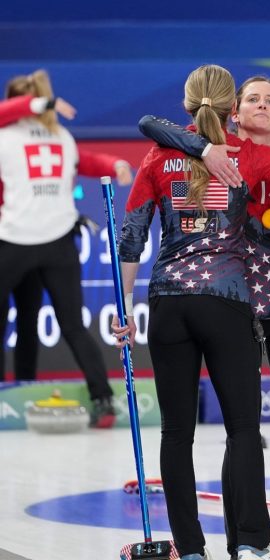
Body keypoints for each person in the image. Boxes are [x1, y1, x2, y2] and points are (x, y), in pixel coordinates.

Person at [113, 64, 270, 560]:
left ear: (190, 105)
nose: (260, 107)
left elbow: (130, 237)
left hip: (171, 301)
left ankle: (192, 550)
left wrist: (122, 307)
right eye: (249, 100)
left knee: (176, 433)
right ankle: (254, 547)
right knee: (242, 429)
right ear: (232, 110)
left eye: (269, 101)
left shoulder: (159, 156)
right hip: (227, 302)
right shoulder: (251, 156)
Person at [0, 69, 132, 427]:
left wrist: (42, 103)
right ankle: (103, 400)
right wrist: (115, 164)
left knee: (16, 322)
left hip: (13, 241)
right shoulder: (61, 137)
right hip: (58, 242)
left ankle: (10, 396)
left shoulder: (3, 137)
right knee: (72, 324)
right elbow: (88, 162)